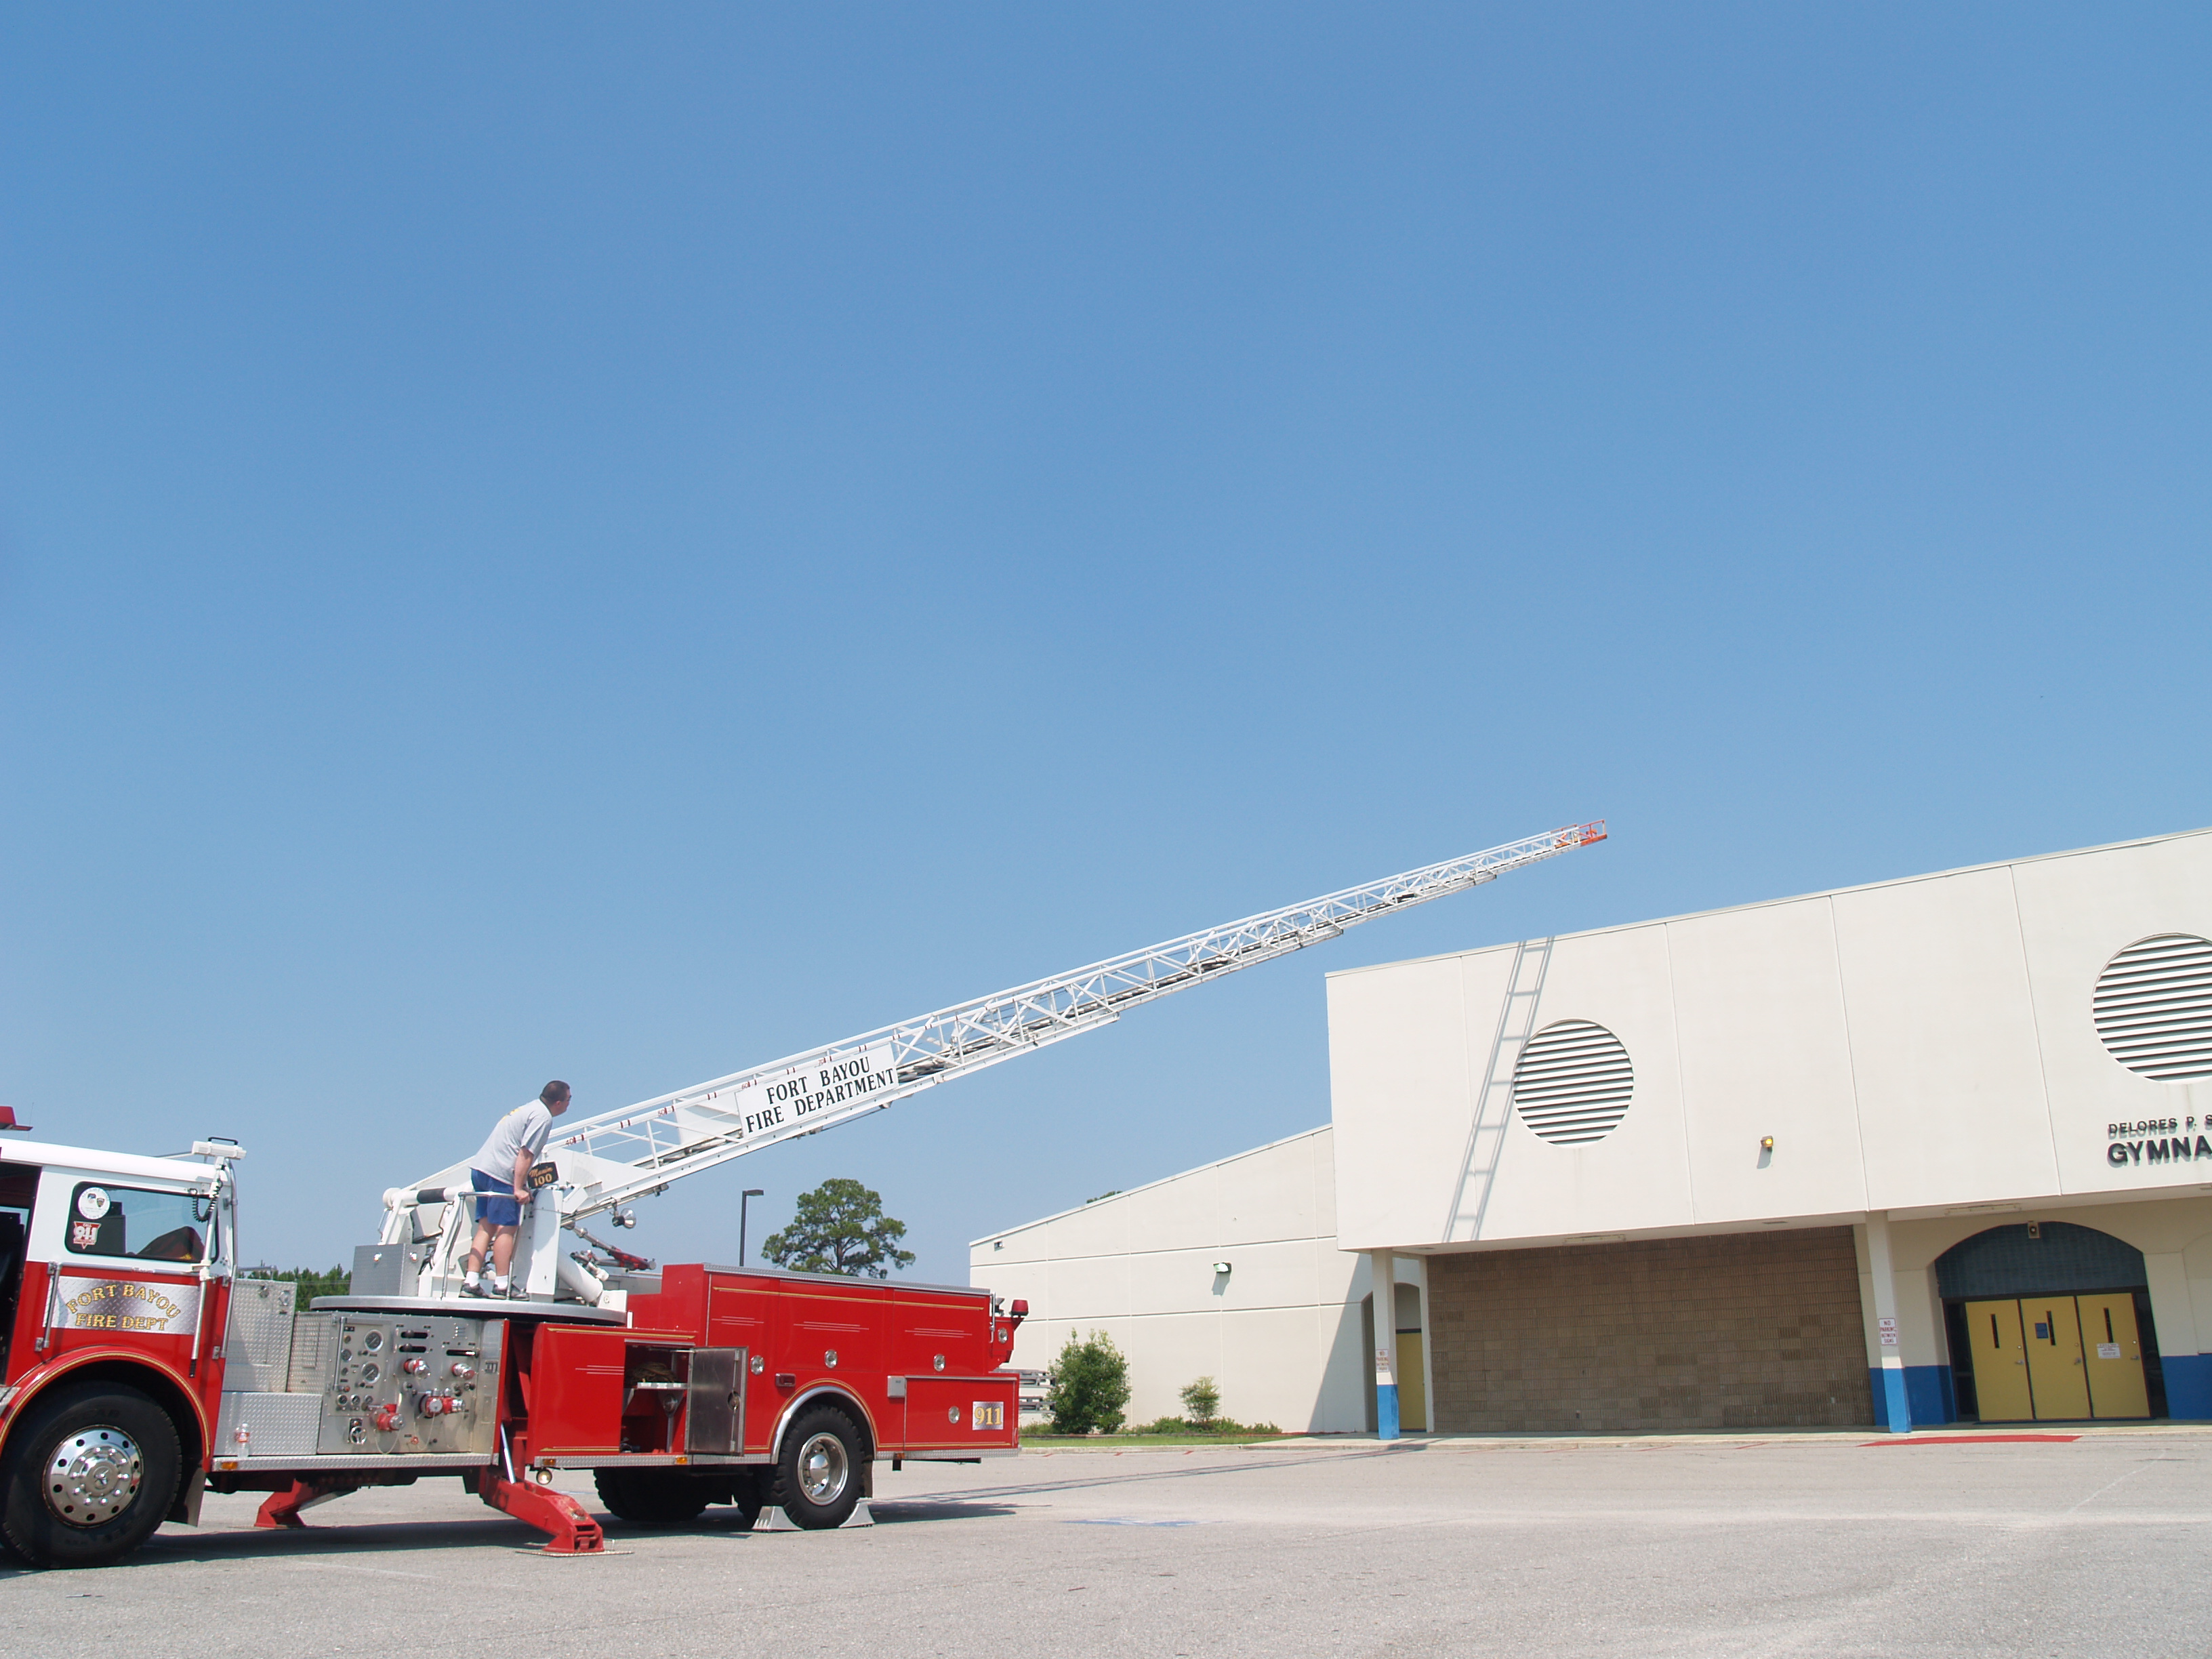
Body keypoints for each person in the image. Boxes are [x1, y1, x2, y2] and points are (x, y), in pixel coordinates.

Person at [462, 1080, 571, 1298]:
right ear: (558, 1102)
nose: (569, 1104)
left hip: (481, 1169)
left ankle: (471, 1282)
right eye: (569, 1100)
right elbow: (525, 1154)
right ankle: (502, 1285)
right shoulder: (542, 1118)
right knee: (507, 1228)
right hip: (500, 1173)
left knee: (486, 1228)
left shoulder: (528, 1108)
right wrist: (519, 1188)